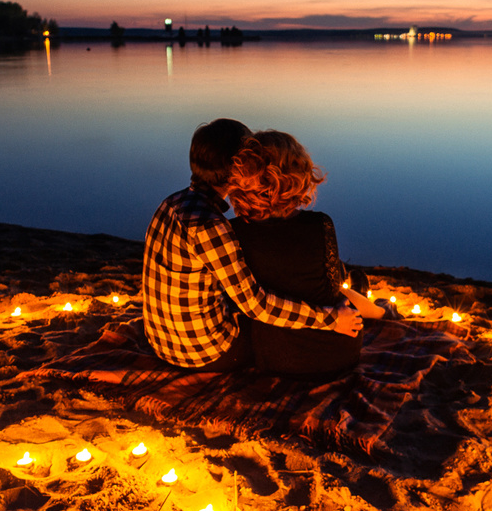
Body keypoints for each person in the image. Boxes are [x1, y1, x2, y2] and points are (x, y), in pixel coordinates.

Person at [142, 119, 362, 371]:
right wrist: (332, 320)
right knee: (268, 321)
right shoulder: (211, 226)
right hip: (204, 354)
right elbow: (256, 305)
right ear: (237, 165)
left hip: (160, 342)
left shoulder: (171, 203)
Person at [228, 130, 385, 377]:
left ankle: (374, 304)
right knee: (344, 290)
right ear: (298, 175)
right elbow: (332, 288)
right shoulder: (319, 224)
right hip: (337, 351)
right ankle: (379, 309)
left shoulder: (233, 232)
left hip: (272, 357)